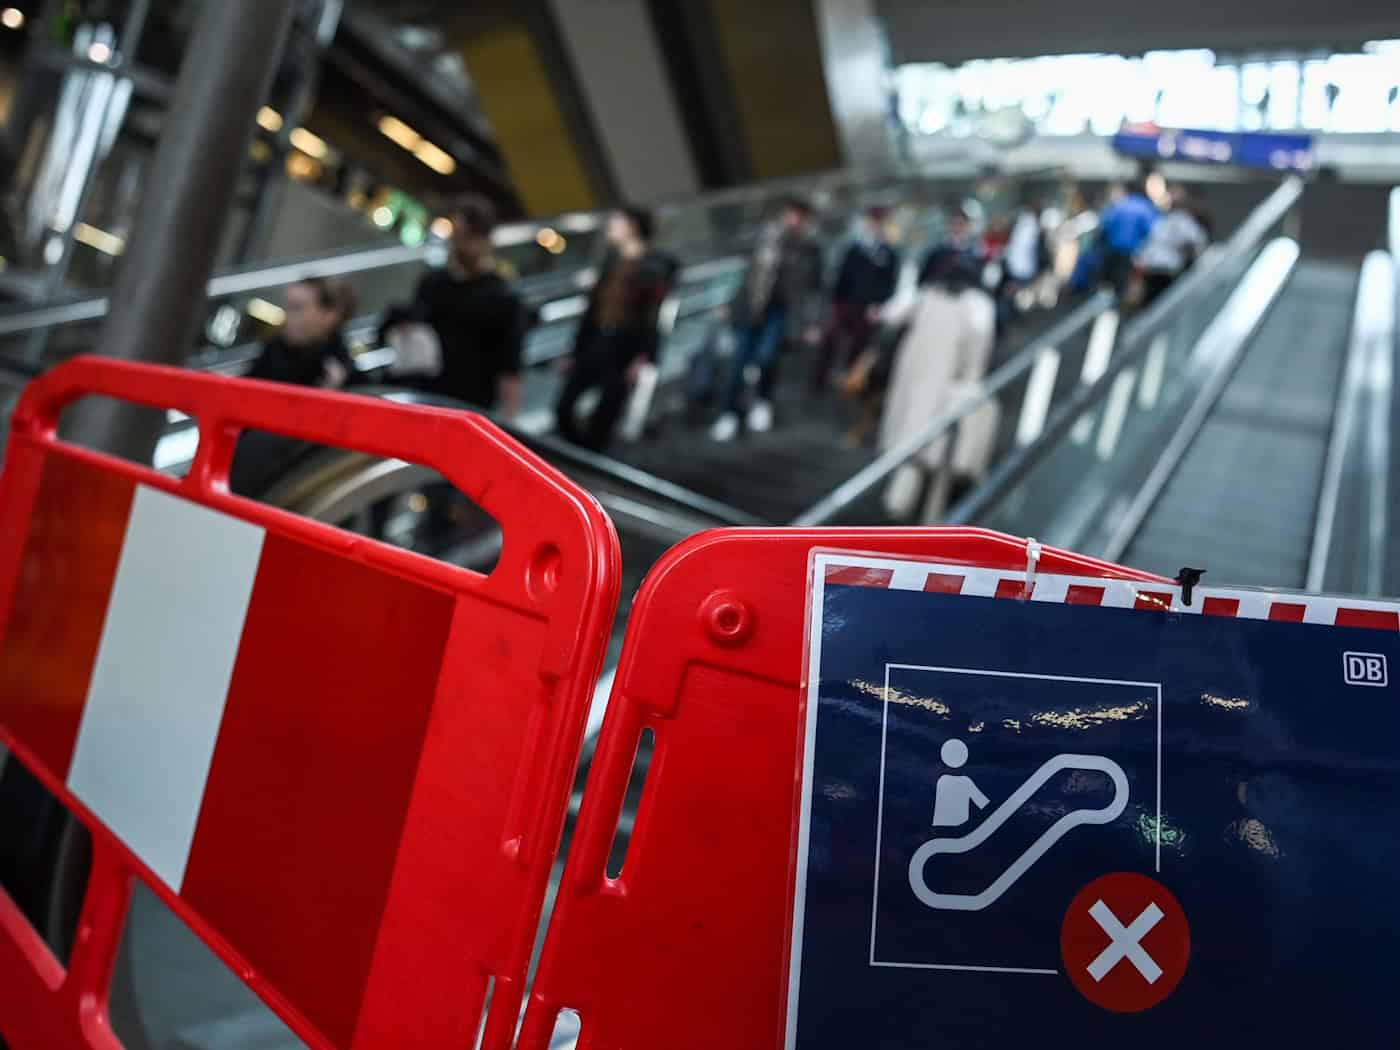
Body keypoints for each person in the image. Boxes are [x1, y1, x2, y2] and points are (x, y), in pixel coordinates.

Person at [380, 194, 524, 420]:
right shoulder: (433, 282)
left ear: (484, 238)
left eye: (465, 236)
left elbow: (510, 367)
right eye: (455, 236)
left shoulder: (503, 297)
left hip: (466, 407)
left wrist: (509, 420)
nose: (457, 244)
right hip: (421, 396)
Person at [555, 205, 676, 450]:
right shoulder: (611, 261)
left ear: (632, 227)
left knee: (605, 416)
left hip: (625, 347)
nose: (611, 226)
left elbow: (652, 317)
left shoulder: (655, 267)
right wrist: (575, 350)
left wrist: (644, 357)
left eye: (617, 221)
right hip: (597, 339)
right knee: (563, 407)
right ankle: (580, 452)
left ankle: (590, 463)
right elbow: (593, 309)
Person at [710, 197, 824, 442]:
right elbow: (746, 277)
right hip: (751, 308)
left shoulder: (810, 250)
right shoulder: (764, 240)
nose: (793, 221)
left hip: (781, 312)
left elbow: (813, 290)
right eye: (790, 214)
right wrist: (729, 304)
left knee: (767, 357)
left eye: (799, 217)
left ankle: (762, 401)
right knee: (738, 362)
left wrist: (812, 322)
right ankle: (729, 413)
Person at [812, 205, 899, 392]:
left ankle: (849, 381)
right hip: (845, 302)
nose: (875, 225)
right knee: (831, 338)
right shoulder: (854, 248)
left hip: (868, 307)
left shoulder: (888, 254)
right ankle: (820, 379)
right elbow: (842, 276)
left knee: (859, 344)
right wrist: (835, 301)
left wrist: (879, 305)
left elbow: (889, 284)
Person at [246, 277, 356, 388]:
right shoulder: (274, 348)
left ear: (329, 315)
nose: (287, 316)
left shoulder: (341, 369)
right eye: (287, 306)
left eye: (297, 308)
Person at [1136, 187, 1209, 305]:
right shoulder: (1164, 220)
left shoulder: (1182, 221)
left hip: (1167, 272)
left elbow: (1196, 243)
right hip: (1155, 271)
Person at [1097, 178, 1158, 297]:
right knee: (1126, 285)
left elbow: (1105, 226)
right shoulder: (1146, 207)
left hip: (1112, 250)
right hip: (1133, 253)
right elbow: (1153, 232)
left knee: (1111, 284)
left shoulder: (1118, 205)